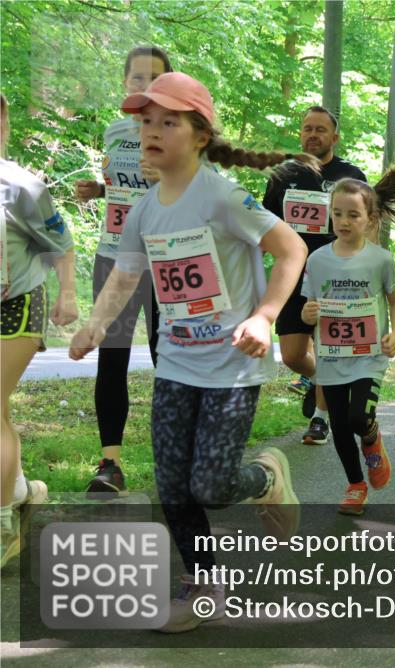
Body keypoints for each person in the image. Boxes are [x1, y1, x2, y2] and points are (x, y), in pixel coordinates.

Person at [68, 73, 307, 632]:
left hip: (232, 366)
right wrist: (94, 326)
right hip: (176, 362)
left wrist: (264, 315)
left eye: (168, 121)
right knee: (173, 487)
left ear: (200, 135)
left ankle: (266, 476)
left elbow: (291, 249)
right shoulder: (146, 208)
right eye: (145, 120)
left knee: (212, 487)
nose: (151, 130)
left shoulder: (222, 195)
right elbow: (127, 274)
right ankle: (203, 587)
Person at [73, 46, 172, 498]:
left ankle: (175, 457)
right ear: (125, 83)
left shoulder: (181, 130)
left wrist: (164, 179)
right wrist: (98, 188)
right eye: (137, 78)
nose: (145, 85)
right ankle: (110, 465)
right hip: (114, 254)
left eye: (155, 77)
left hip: (165, 258)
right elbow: (121, 185)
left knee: (166, 357)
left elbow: (196, 194)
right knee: (111, 357)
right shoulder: (115, 130)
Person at [301, 167, 395, 514]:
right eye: (337, 213)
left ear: (370, 219)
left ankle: (371, 437)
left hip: (369, 355)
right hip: (332, 354)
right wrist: (310, 315)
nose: (343, 220)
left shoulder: (380, 259)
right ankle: (355, 485)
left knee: (357, 418)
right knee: (338, 425)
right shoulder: (318, 259)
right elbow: (310, 305)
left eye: (353, 214)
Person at [1, 93, 77, 568]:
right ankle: (23, 490)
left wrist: (68, 293)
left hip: (18, 305)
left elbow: (62, 242)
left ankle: (3, 522)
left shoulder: (19, 185)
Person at [263, 106, 367, 446]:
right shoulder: (284, 174)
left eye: (320, 130)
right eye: (307, 128)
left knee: (328, 349)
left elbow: (368, 221)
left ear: (334, 137)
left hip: (335, 274)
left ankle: (320, 419)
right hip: (292, 273)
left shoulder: (350, 175)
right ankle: (327, 383)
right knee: (293, 355)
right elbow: (266, 223)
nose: (313, 135)